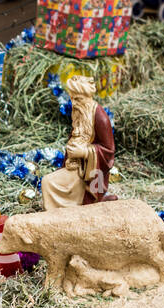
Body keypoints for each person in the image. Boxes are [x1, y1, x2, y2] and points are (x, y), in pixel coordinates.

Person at [40, 75, 116, 210]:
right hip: (75, 167)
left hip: (91, 176)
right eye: (72, 98)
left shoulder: (100, 117)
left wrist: (84, 152)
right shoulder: (80, 113)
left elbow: (108, 152)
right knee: (47, 181)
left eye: (78, 99)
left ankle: (73, 208)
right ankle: (60, 211)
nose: (74, 103)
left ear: (88, 97)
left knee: (47, 182)